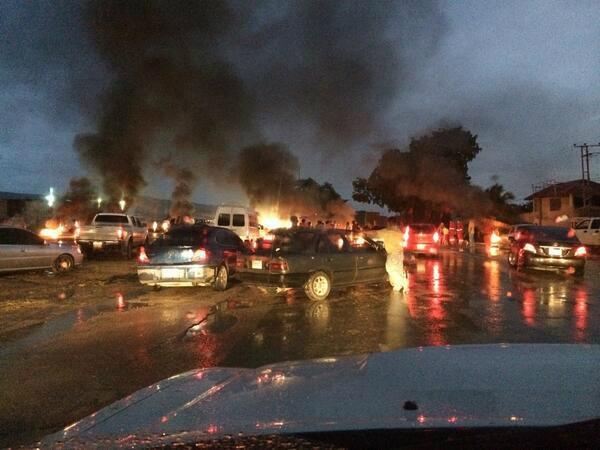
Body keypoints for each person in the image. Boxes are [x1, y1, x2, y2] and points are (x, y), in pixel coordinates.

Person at [375, 219, 409, 292]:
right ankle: (398, 285)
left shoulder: (387, 232)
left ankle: (404, 282)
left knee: (390, 269)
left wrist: (361, 232)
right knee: (398, 270)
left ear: (390, 224)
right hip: (400, 253)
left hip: (393, 254)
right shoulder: (399, 232)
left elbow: (374, 233)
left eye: (387, 223)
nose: (387, 225)